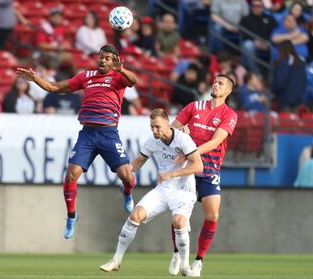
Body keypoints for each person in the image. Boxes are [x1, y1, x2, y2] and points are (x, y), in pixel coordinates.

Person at [17, 44, 138, 239]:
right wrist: (34, 79)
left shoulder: (118, 77)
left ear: (114, 60)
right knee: (71, 175)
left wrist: (121, 69)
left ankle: (127, 193)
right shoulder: (86, 76)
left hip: (109, 134)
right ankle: (72, 216)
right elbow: (54, 87)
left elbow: (134, 81)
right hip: (88, 134)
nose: (103, 60)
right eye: (101, 57)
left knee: (127, 176)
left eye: (107, 58)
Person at [99, 109, 203, 277]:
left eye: (157, 127)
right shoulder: (152, 141)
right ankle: (116, 260)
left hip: (183, 191)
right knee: (135, 215)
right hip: (163, 189)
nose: (154, 131)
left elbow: (198, 166)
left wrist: (171, 174)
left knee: (178, 222)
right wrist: (125, 175)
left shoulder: (183, 139)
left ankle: (185, 266)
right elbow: (139, 161)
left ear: (168, 125)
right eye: (151, 127)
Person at [169, 74, 238, 276]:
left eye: (221, 83)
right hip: (188, 170)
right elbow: (172, 128)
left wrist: (191, 152)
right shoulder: (194, 107)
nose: (215, 84)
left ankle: (198, 261)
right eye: (215, 81)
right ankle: (177, 254)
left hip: (209, 170)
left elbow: (216, 142)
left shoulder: (229, 114)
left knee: (213, 214)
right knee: (178, 216)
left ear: (228, 91)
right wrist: (181, 129)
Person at [271, 40, 307, 112]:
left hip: (285, 99)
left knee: (286, 121)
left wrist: (273, 90)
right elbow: (305, 81)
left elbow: (280, 80)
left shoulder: (284, 61)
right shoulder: (301, 61)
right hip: (299, 98)